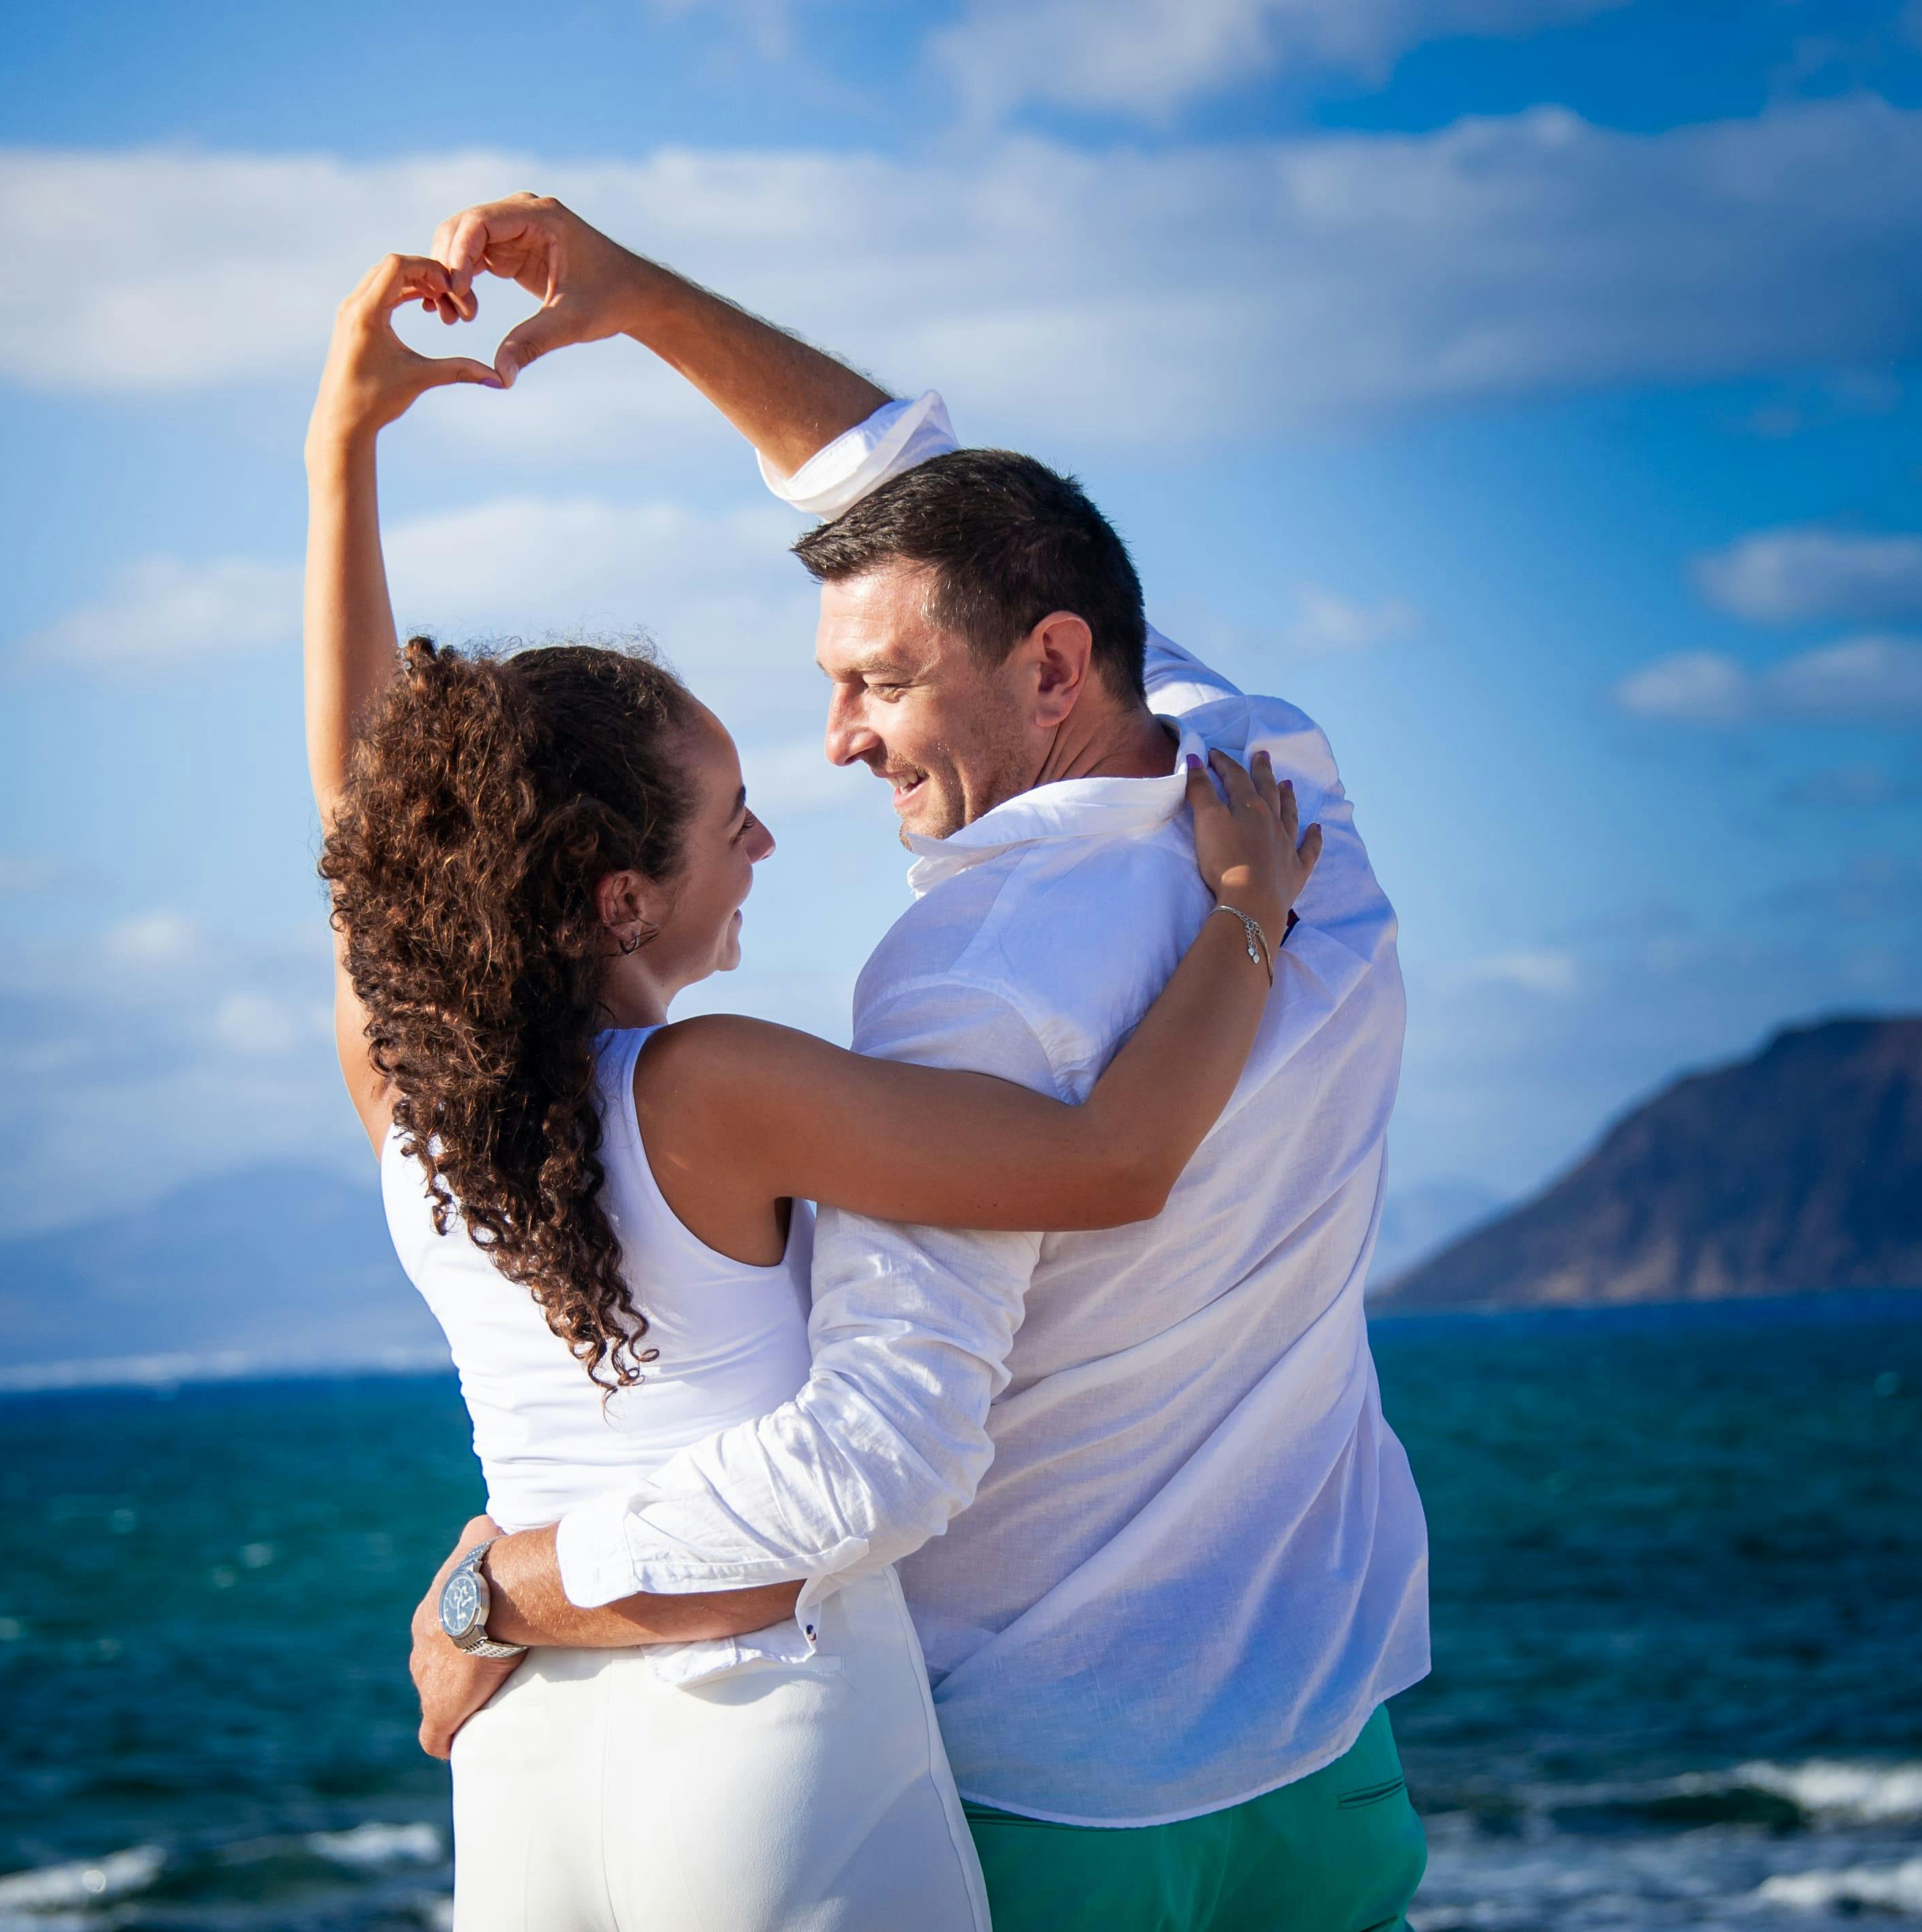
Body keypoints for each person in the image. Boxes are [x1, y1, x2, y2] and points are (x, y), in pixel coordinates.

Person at [401, 197, 1435, 1932]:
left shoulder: (961, 975)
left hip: (1053, 1776)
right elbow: (920, 481)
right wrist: (645, 295)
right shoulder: (1269, 768)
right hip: (1320, 1722)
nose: (838, 740)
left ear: (1047, 669)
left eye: (878, 683)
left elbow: (882, 1437)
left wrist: (508, 1591)